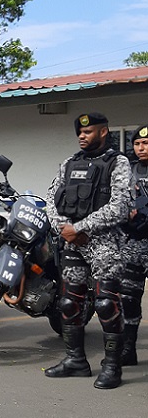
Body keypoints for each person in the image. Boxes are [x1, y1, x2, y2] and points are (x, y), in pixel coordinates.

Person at [44, 113, 131, 389]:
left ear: (104, 132)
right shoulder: (70, 163)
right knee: (69, 303)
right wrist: (63, 228)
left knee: (106, 304)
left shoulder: (118, 162)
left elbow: (119, 206)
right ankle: (75, 360)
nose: (82, 136)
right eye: (79, 133)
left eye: (88, 131)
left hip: (105, 245)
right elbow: (50, 198)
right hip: (72, 244)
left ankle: (113, 367)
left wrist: (80, 228)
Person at [121, 124, 148, 366]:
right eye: (138, 144)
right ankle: (129, 349)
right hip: (135, 245)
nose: (141, 148)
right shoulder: (129, 171)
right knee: (129, 298)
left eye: (146, 143)